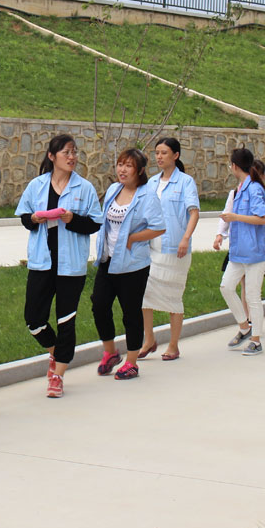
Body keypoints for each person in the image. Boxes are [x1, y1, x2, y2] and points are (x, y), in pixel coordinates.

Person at [15, 135, 101, 397]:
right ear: (52, 157)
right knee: (33, 319)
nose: (72, 157)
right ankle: (56, 351)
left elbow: (94, 224)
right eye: (66, 152)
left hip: (70, 266)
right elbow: (24, 218)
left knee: (66, 321)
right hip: (42, 262)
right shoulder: (37, 185)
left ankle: (58, 376)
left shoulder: (84, 188)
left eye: (75, 152)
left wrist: (73, 219)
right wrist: (34, 218)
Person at [92, 148, 165, 380]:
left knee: (131, 313)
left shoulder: (147, 196)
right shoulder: (114, 189)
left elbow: (159, 227)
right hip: (108, 261)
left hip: (133, 265)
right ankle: (111, 352)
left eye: (129, 166)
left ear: (140, 170)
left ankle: (131, 362)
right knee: (99, 305)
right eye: (120, 164)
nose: (122, 170)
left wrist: (133, 238)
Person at [140, 138, 200, 362]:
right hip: (151, 248)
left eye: (164, 152)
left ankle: (173, 345)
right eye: (157, 152)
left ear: (176, 155)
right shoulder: (152, 183)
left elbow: (194, 212)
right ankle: (149, 339)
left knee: (174, 297)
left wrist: (185, 238)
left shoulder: (185, 182)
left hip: (176, 250)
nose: (159, 156)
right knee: (144, 294)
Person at [214, 159, 265, 326]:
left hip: (257, 248)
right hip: (239, 247)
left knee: (251, 288)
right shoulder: (235, 193)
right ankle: (246, 319)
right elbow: (227, 213)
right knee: (236, 284)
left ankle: (253, 322)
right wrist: (220, 235)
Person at [218, 148, 265, 356]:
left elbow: (264, 218)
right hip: (239, 252)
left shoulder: (254, 189)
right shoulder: (240, 188)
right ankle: (244, 327)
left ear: (234, 166)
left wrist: (236, 217)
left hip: (256, 253)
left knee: (252, 296)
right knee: (226, 287)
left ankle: (256, 340)